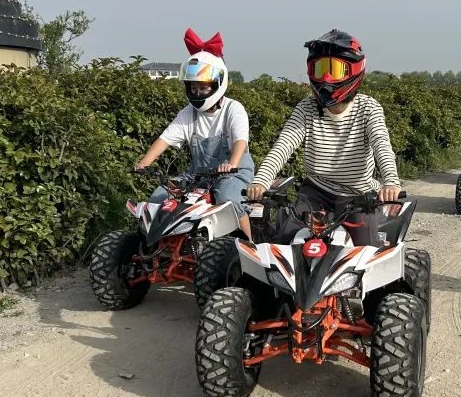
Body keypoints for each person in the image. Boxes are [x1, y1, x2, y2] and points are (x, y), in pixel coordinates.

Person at [245, 29, 401, 246]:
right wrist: (261, 180)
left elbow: (381, 145)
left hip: (358, 197)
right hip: (315, 193)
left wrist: (390, 181)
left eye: (335, 69)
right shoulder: (307, 107)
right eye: (319, 69)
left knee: (367, 251)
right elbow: (283, 145)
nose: (326, 78)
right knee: (284, 242)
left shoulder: (368, 108)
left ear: (353, 71)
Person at [135, 28, 255, 238]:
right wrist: (145, 162)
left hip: (233, 173)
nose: (198, 93)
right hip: (199, 174)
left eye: (203, 88)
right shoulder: (188, 113)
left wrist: (232, 164)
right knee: (159, 199)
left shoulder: (233, 109)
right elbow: (164, 139)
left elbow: (240, 141)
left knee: (229, 199)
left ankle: (249, 245)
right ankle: (153, 247)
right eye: (193, 88)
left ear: (218, 83)